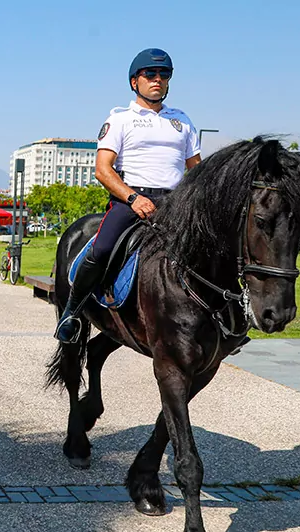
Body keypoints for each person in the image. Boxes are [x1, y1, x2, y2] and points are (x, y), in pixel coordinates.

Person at [55, 48, 202, 343]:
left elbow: (196, 170)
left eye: (164, 74)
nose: (157, 79)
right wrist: (134, 199)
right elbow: (103, 170)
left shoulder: (182, 121)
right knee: (102, 248)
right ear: (135, 81)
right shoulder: (120, 120)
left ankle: (229, 319)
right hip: (131, 202)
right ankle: (72, 312)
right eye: (150, 74)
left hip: (175, 203)